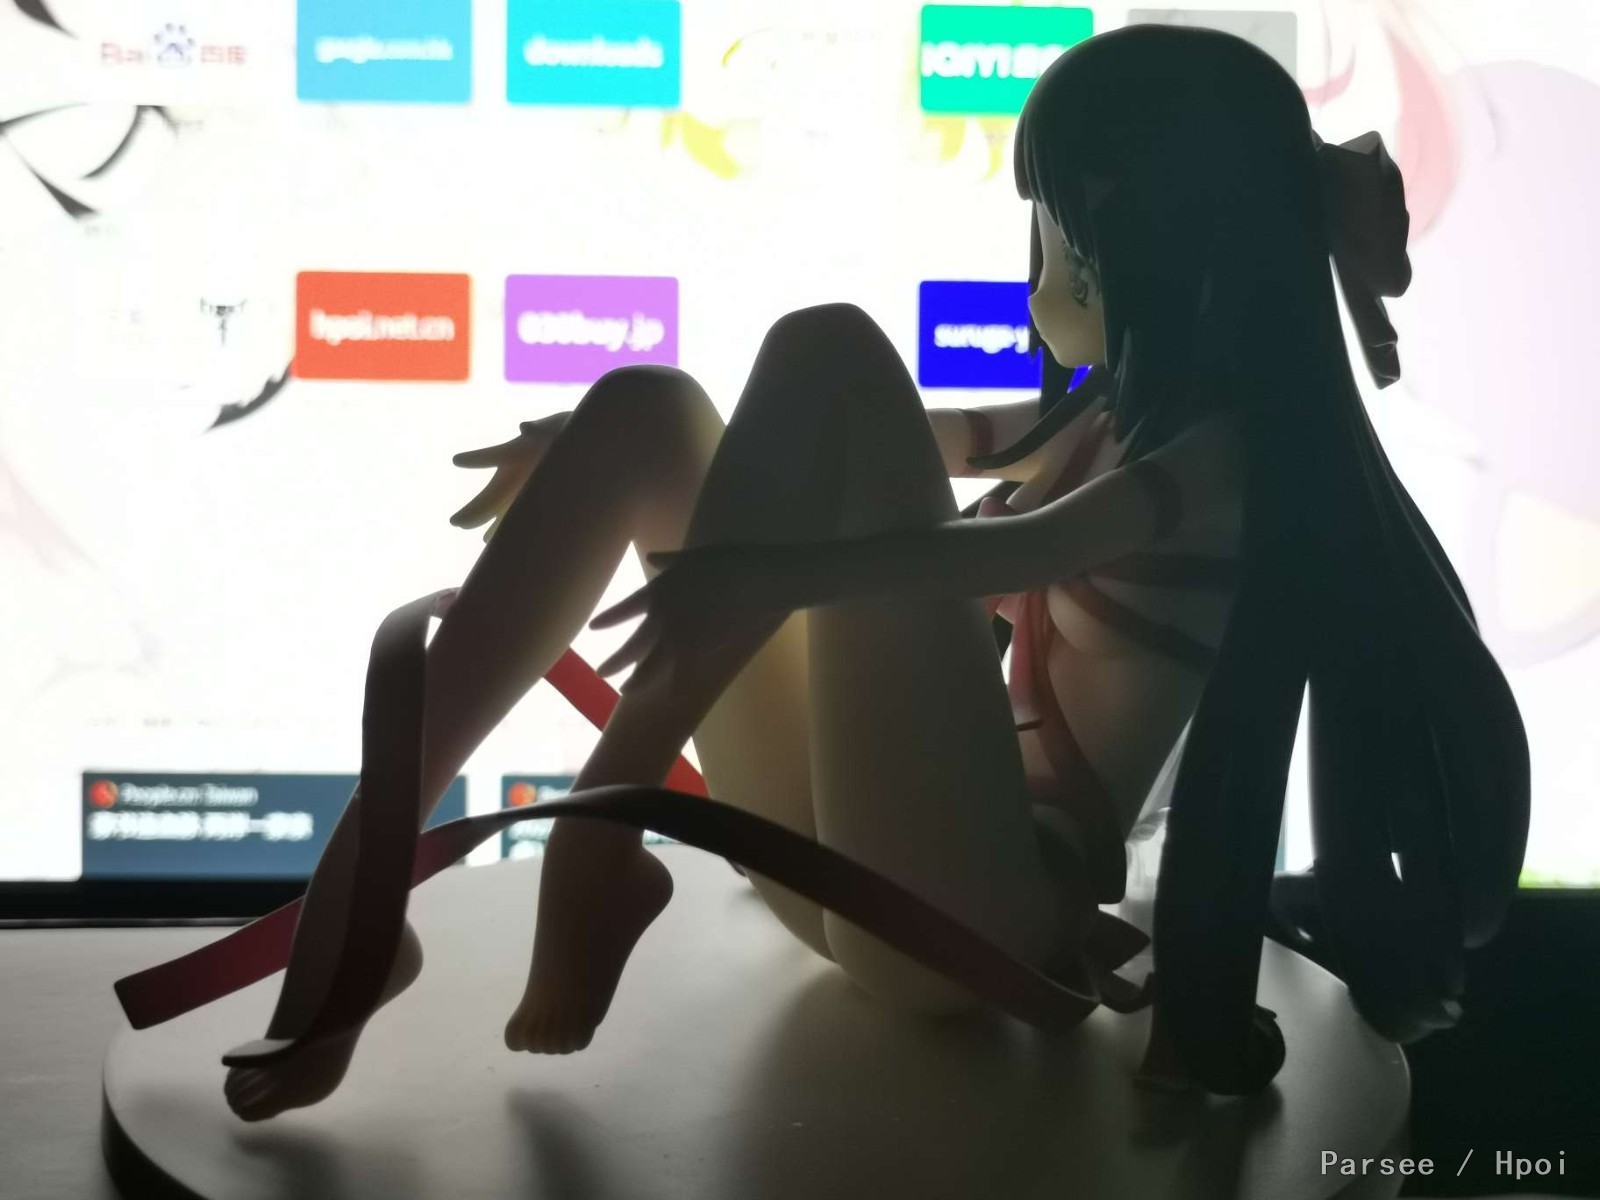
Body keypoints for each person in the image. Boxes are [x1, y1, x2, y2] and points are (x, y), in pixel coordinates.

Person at [218, 25, 1529, 1120]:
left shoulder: (1217, 466)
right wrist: (611, 462)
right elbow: (875, 444)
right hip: (876, 868)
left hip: (972, 920)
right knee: (652, 409)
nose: (1038, 276)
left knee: (835, 350)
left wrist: (764, 574)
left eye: (1057, 239)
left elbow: (1004, 550)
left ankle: (600, 828)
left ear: (1148, 249)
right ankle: (361, 899)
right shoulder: (1090, 416)